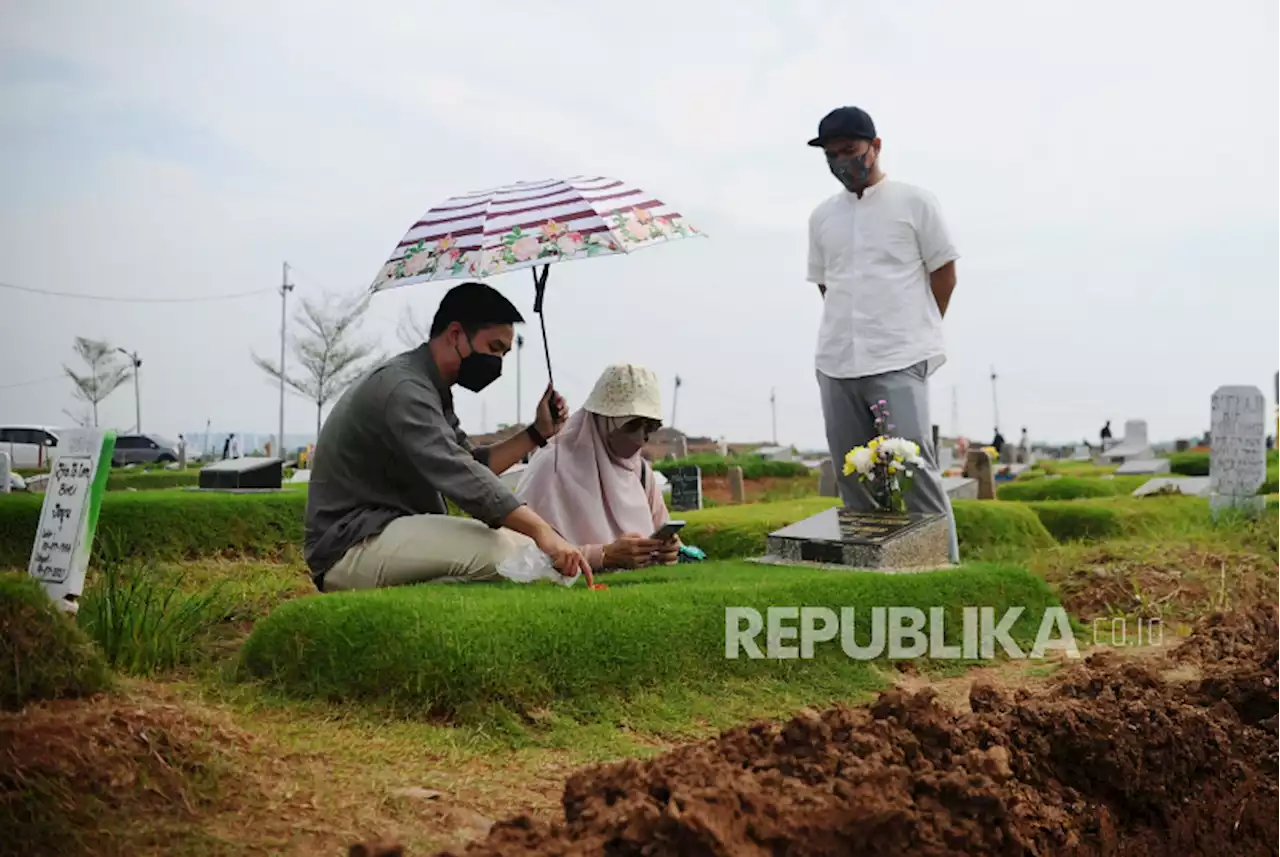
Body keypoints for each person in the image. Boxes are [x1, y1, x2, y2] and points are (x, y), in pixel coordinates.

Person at [303, 281, 593, 592]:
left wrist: (537, 432)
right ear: (455, 335)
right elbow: (458, 472)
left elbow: (473, 464)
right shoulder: (403, 389)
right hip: (351, 544)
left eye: (505, 353)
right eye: (494, 348)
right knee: (503, 555)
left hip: (388, 531)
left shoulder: (430, 389)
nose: (498, 363)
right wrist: (540, 529)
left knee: (527, 553)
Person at [805, 105, 960, 564]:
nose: (842, 163)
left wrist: (916, 330)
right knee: (854, 479)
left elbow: (944, 273)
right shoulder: (821, 217)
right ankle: (871, 577)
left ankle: (942, 573)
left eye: (850, 151)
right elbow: (826, 284)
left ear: (875, 146)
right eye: (831, 155)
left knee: (914, 474)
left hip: (900, 357)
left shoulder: (916, 202)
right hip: (836, 361)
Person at [515, 363, 680, 573]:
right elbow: (522, 552)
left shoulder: (641, 472)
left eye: (650, 428)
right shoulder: (553, 465)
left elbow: (662, 530)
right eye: (632, 426)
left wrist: (669, 549)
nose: (642, 437)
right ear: (603, 420)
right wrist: (603, 556)